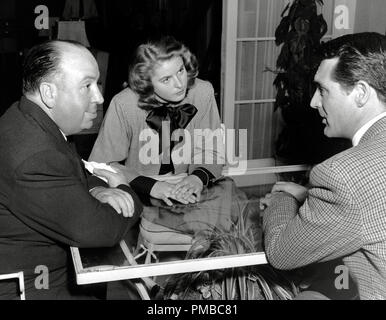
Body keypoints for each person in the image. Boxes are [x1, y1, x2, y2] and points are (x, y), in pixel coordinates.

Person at [0, 40, 143, 299]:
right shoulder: (36, 156)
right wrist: (124, 186)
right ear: (49, 93)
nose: (99, 98)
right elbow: (103, 230)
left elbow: (75, 169)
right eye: (86, 86)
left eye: (97, 85)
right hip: (39, 286)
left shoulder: (28, 118)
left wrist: (98, 190)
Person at [260, 32, 386, 300]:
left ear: (361, 93)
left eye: (323, 89)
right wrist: (307, 195)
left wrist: (282, 199)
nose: (313, 102)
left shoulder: (344, 175)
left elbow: (281, 253)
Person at [89, 36, 225, 206]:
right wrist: (151, 186)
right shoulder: (124, 104)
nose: (179, 84)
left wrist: (198, 178)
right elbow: (103, 164)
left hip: (193, 182)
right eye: (166, 79)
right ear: (146, 82)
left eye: (181, 70)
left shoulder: (203, 92)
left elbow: (212, 149)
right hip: (138, 186)